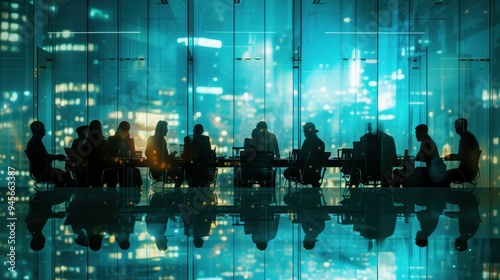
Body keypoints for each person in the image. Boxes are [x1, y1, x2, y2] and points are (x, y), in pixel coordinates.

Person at [26, 121, 75, 188]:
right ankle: (59, 196)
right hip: (44, 172)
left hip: (40, 172)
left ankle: (57, 196)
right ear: (37, 129)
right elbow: (44, 158)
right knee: (67, 178)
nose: (44, 130)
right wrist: (57, 157)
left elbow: (43, 157)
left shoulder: (34, 141)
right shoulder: (36, 142)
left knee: (64, 178)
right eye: (43, 128)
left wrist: (56, 157)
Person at [283, 122, 325, 188]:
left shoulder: (307, 142)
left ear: (308, 132)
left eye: (305, 132)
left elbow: (303, 158)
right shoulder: (321, 143)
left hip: (305, 174)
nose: (304, 134)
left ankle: (298, 195)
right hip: (316, 176)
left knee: (287, 172)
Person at [146, 121, 183, 187]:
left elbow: (147, 153)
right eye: (166, 128)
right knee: (180, 173)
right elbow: (165, 158)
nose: (167, 130)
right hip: (162, 171)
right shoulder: (162, 141)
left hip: (154, 171)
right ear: (162, 130)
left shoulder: (150, 139)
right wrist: (173, 155)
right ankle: (177, 193)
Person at [443, 118, 480, 184]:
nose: (455, 127)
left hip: (465, 172)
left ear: (462, 127)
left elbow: (464, 156)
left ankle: (446, 194)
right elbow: (464, 155)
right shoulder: (467, 137)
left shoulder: (466, 139)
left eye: (457, 126)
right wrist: (452, 156)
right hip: (468, 171)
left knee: (443, 176)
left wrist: (451, 156)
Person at [107, 121, 142, 188]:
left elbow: (132, 153)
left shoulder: (113, 139)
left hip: (122, 166)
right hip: (116, 166)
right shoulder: (112, 139)